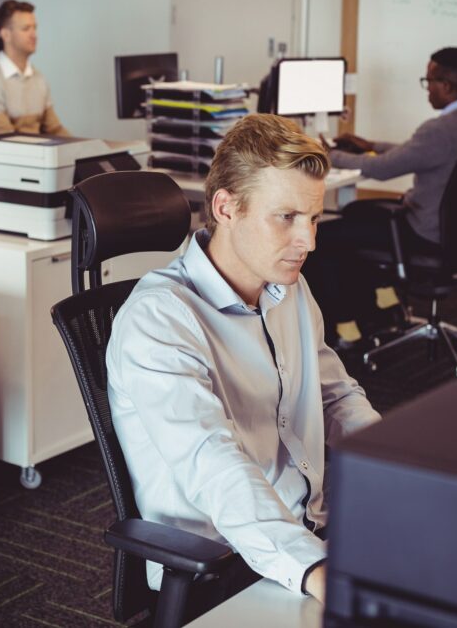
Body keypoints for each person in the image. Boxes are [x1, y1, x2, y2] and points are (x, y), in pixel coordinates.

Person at [106, 114, 380, 605]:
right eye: (287, 217)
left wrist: (403, 466)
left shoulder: (287, 287)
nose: (309, 242)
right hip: (225, 565)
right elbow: (215, 466)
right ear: (226, 207)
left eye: (313, 218)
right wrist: (314, 568)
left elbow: (335, 396)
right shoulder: (158, 321)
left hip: (309, 529)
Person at [303, 47, 457, 345]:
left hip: (425, 233)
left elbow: (382, 169)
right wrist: (370, 144)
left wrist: (329, 155)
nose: (426, 88)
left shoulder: (441, 129)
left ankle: (345, 328)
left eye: (428, 81)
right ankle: (384, 308)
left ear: (446, 86)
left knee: (321, 239)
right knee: (354, 216)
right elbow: (415, 153)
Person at [0, 0, 71, 137]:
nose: (34, 35)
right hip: (13, 156)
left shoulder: (38, 78)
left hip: (39, 154)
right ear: (6, 35)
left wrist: (83, 151)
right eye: (26, 29)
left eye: (35, 28)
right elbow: (8, 142)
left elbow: (56, 130)